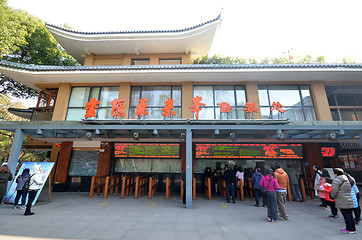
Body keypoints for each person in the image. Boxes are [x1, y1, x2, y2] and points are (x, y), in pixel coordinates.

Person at [330, 168, 356, 234]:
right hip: (349, 198)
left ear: (336, 174)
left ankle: (349, 229)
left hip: (341, 199)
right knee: (350, 214)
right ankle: (353, 228)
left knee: (345, 214)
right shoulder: (347, 179)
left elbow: (334, 191)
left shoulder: (336, 180)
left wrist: (331, 196)